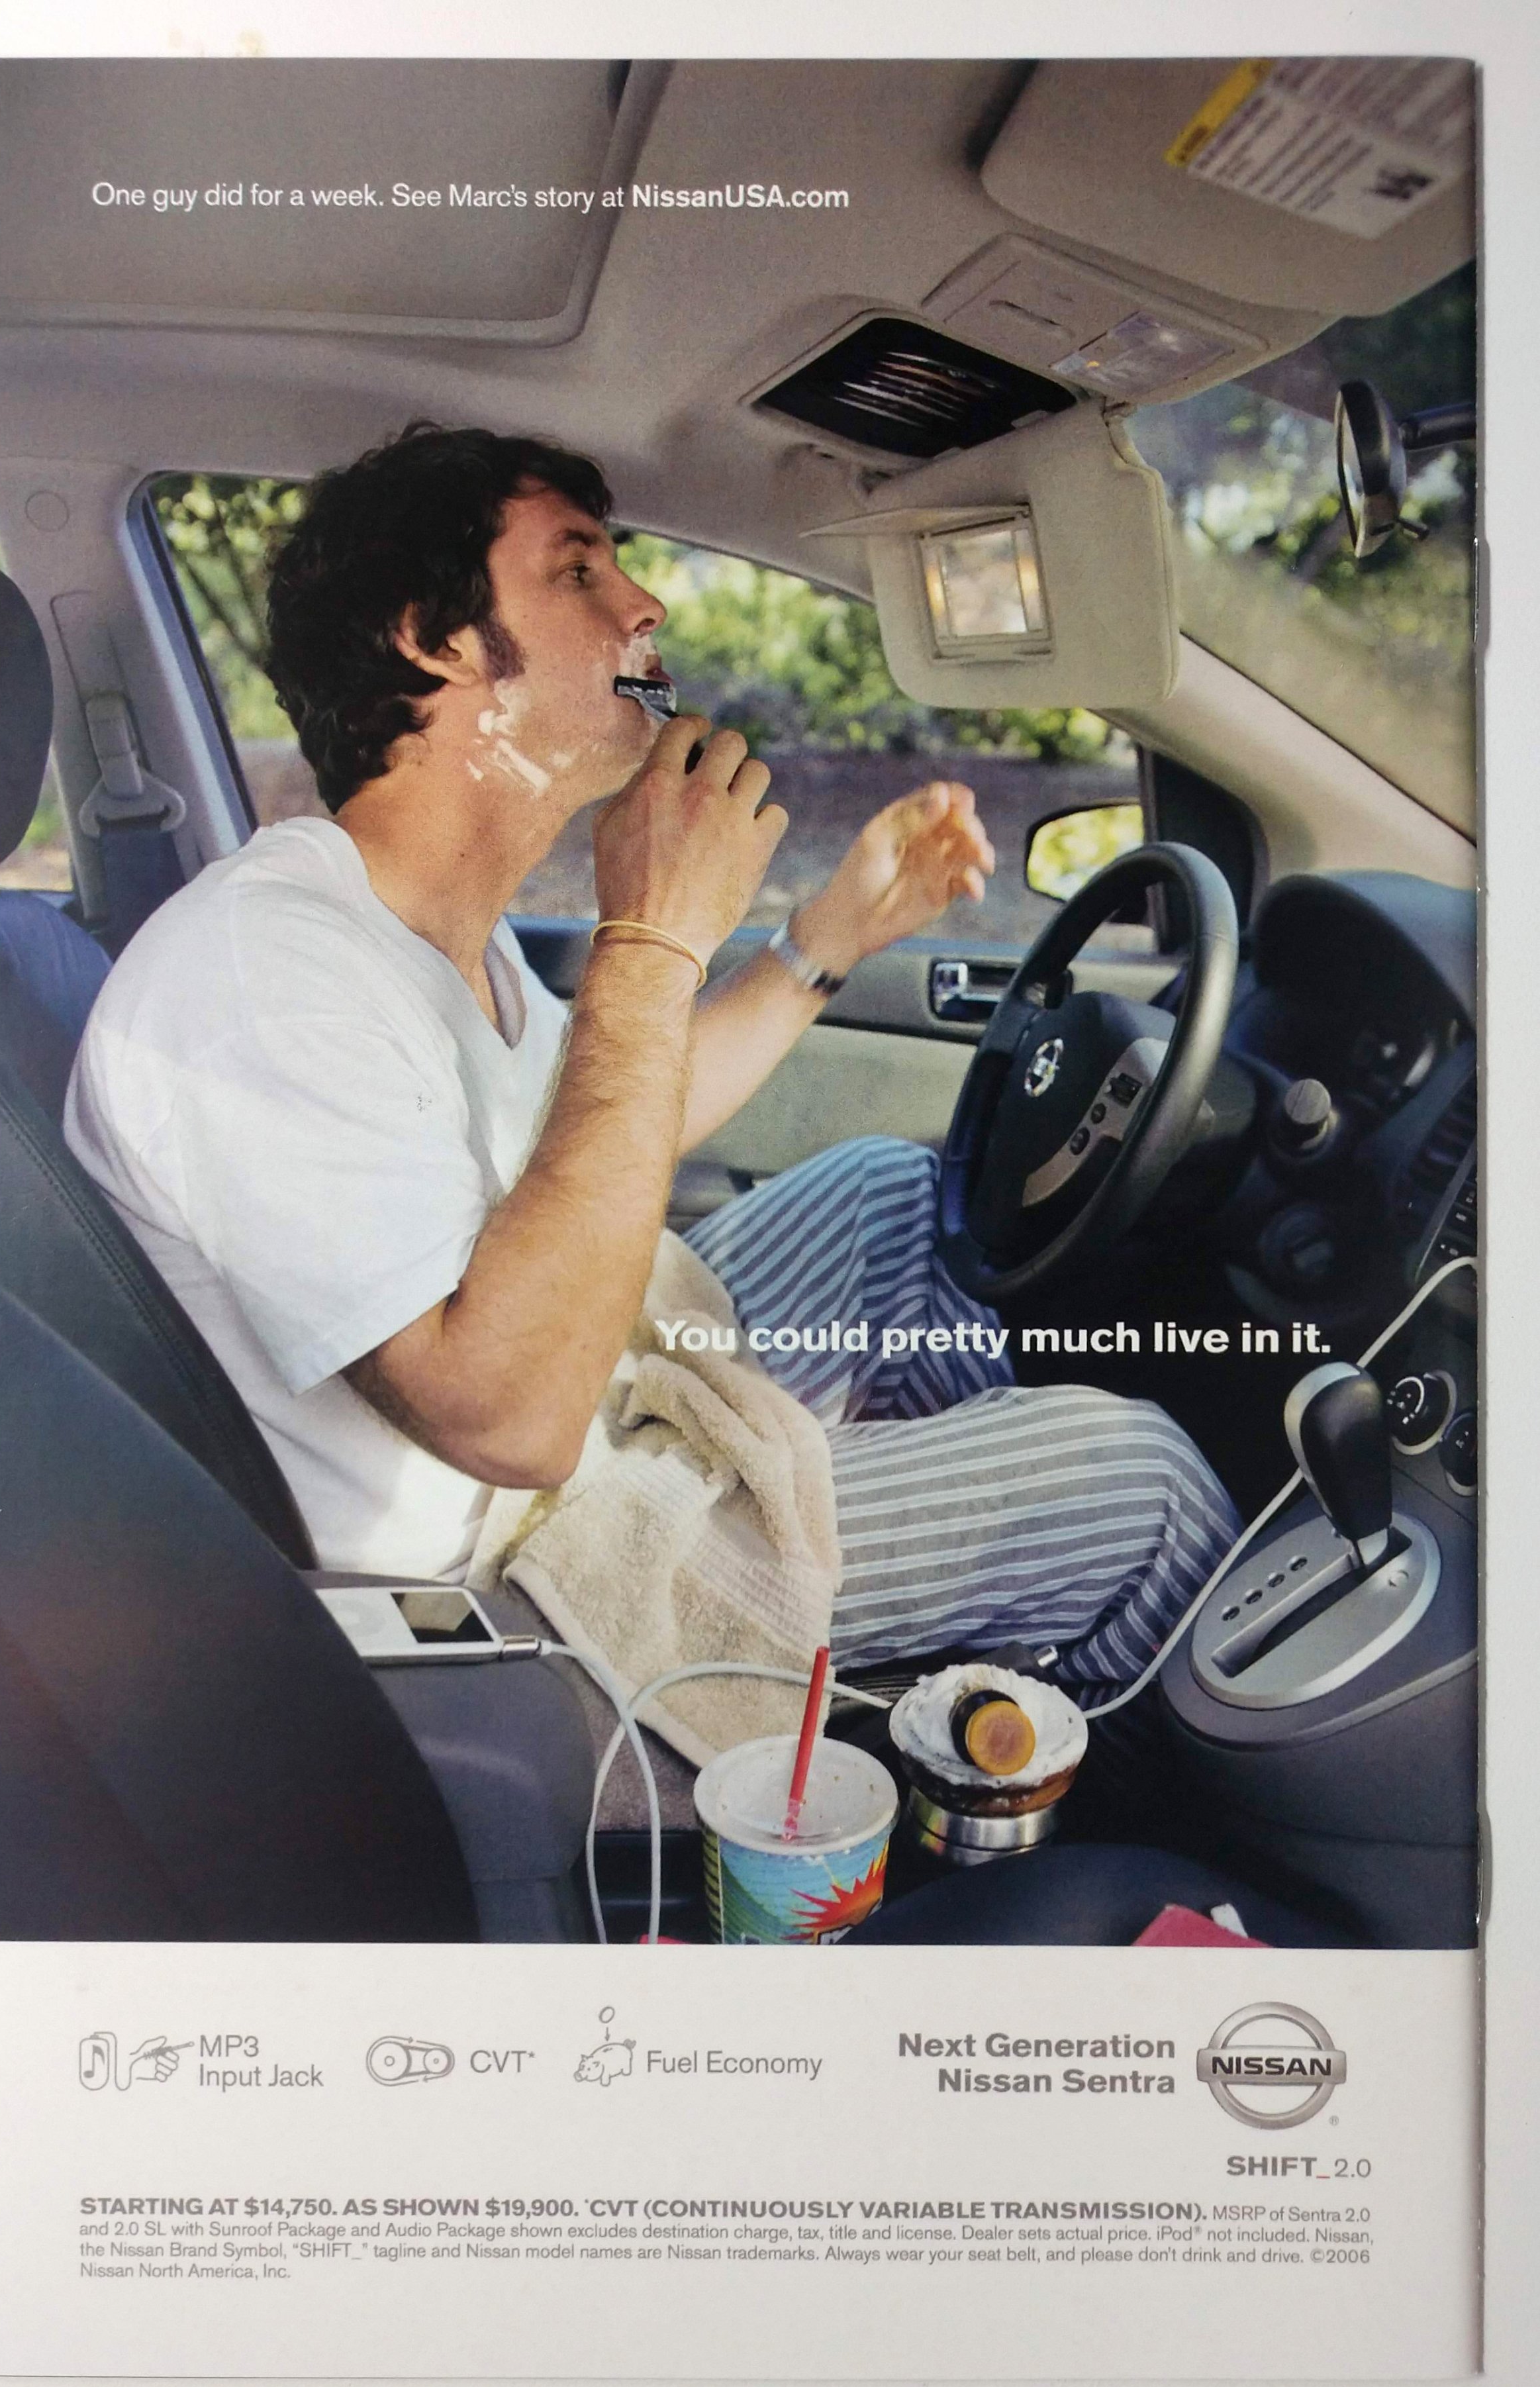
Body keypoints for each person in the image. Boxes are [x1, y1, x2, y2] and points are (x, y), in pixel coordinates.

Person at [65, 420, 1239, 1712]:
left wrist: (825, 940)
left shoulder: (433, 931)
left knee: (889, 1206)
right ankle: (1071, 1717)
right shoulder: (263, 972)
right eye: (579, 571)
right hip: (519, 1578)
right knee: (1134, 1483)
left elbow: (609, 1137)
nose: (646, 604)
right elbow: (509, 1418)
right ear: (435, 639)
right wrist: (650, 937)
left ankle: (967, 1651)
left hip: (586, 1420)